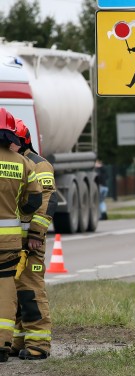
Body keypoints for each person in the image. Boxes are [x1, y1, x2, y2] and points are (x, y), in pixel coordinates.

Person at [11, 119, 56, 360]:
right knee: (15, 293)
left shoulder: (40, 166)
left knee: (30, 291)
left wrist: (36, 235)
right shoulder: (14, 162)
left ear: (22, 141)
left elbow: (48, 200)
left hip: (31, 242)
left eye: (11, 142)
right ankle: (18, 341)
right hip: (12, 241)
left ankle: (39, 344)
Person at [0, 108, 42, 362]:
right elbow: (34, 200)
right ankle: (3, 343)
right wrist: (17, 209)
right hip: (8, 242)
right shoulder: (23, 163)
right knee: (5, 288)